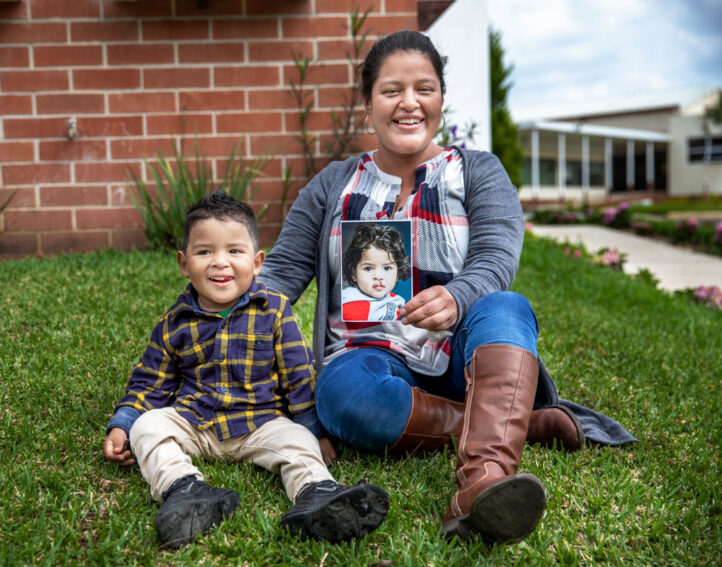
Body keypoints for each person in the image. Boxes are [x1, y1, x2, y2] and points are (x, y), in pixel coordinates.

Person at [259, 30, 635, 546]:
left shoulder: (479, 172)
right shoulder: (332, 185)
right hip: (368, 358)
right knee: (341, 397)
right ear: (367, 104)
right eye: (392, 90)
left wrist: (458, 297)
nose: (409, 103)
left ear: (440, 98)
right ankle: (519, 421)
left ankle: (482, 482)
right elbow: (279, 277)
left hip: (463, 359)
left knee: (507, 305)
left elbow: (496, 258)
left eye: (425, 88)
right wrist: (215, 317)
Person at [102, 191, 389, 549]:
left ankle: (318, 492)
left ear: (256, 262)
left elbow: (298, 376)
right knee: (149, 427)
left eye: (234, 251)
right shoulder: (174, 323)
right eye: (205, 251)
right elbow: (150, 382)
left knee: (296, 443)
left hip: (261, 423)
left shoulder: (274, 310)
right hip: (198, 423)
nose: (220, 263)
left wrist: (314, 430)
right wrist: (123, 422)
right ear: (183, 263)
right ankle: (184, 488)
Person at [341, 222, 411, 321]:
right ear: (354, 273)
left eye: (387, 268)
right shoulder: (346, 305)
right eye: (368, 268)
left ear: (398, 274)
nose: (378, 276)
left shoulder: (398, 302)